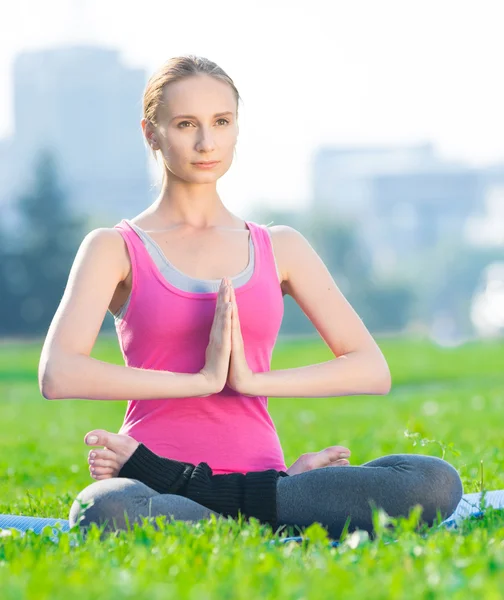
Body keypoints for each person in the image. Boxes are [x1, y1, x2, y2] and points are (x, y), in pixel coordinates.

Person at [39, 55, 463, 540]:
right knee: (104, 509)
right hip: (153, 485)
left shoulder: (279, 245)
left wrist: (250, 380)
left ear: (237, 127)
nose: (207, 142)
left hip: (264, 481)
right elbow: (58, 373)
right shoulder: (114, 248)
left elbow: (371, 368)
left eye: (221, 122)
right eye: (185, 124)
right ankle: (268, 514)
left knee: (433, 483)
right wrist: (201, 380)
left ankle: (247, 504)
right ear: (150, 133)